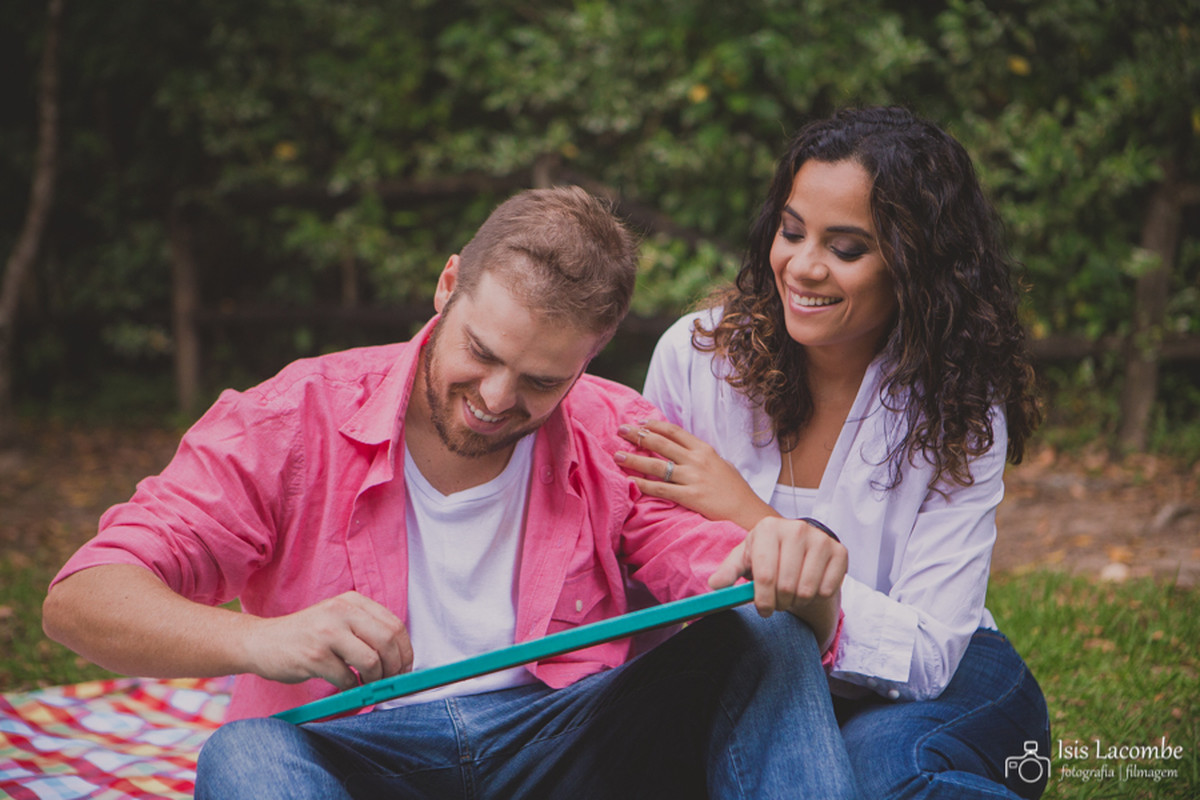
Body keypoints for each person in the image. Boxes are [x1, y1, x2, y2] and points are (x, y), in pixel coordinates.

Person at [42, 187, 859, 800]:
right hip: (355, 753)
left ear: (591, 357)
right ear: (447, 285)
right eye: (482, 353)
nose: (498, 398)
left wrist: (778, 568)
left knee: (767, 638)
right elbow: (81, 598)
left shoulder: (618, 432)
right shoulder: (292, 417)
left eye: (542, 380)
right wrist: (262, 641)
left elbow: (718, 574)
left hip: (558, 749)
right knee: (244, 756)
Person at [614, 107, 1051, 799]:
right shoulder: (699, 360)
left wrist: (750, 515)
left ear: (914, 265)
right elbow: (642, 565)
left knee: (883, 775)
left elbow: (930, 653)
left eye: (846, 249)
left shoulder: (958, 407)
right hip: (753, 681)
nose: (803, 266)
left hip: (944, 688)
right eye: (791, 232)